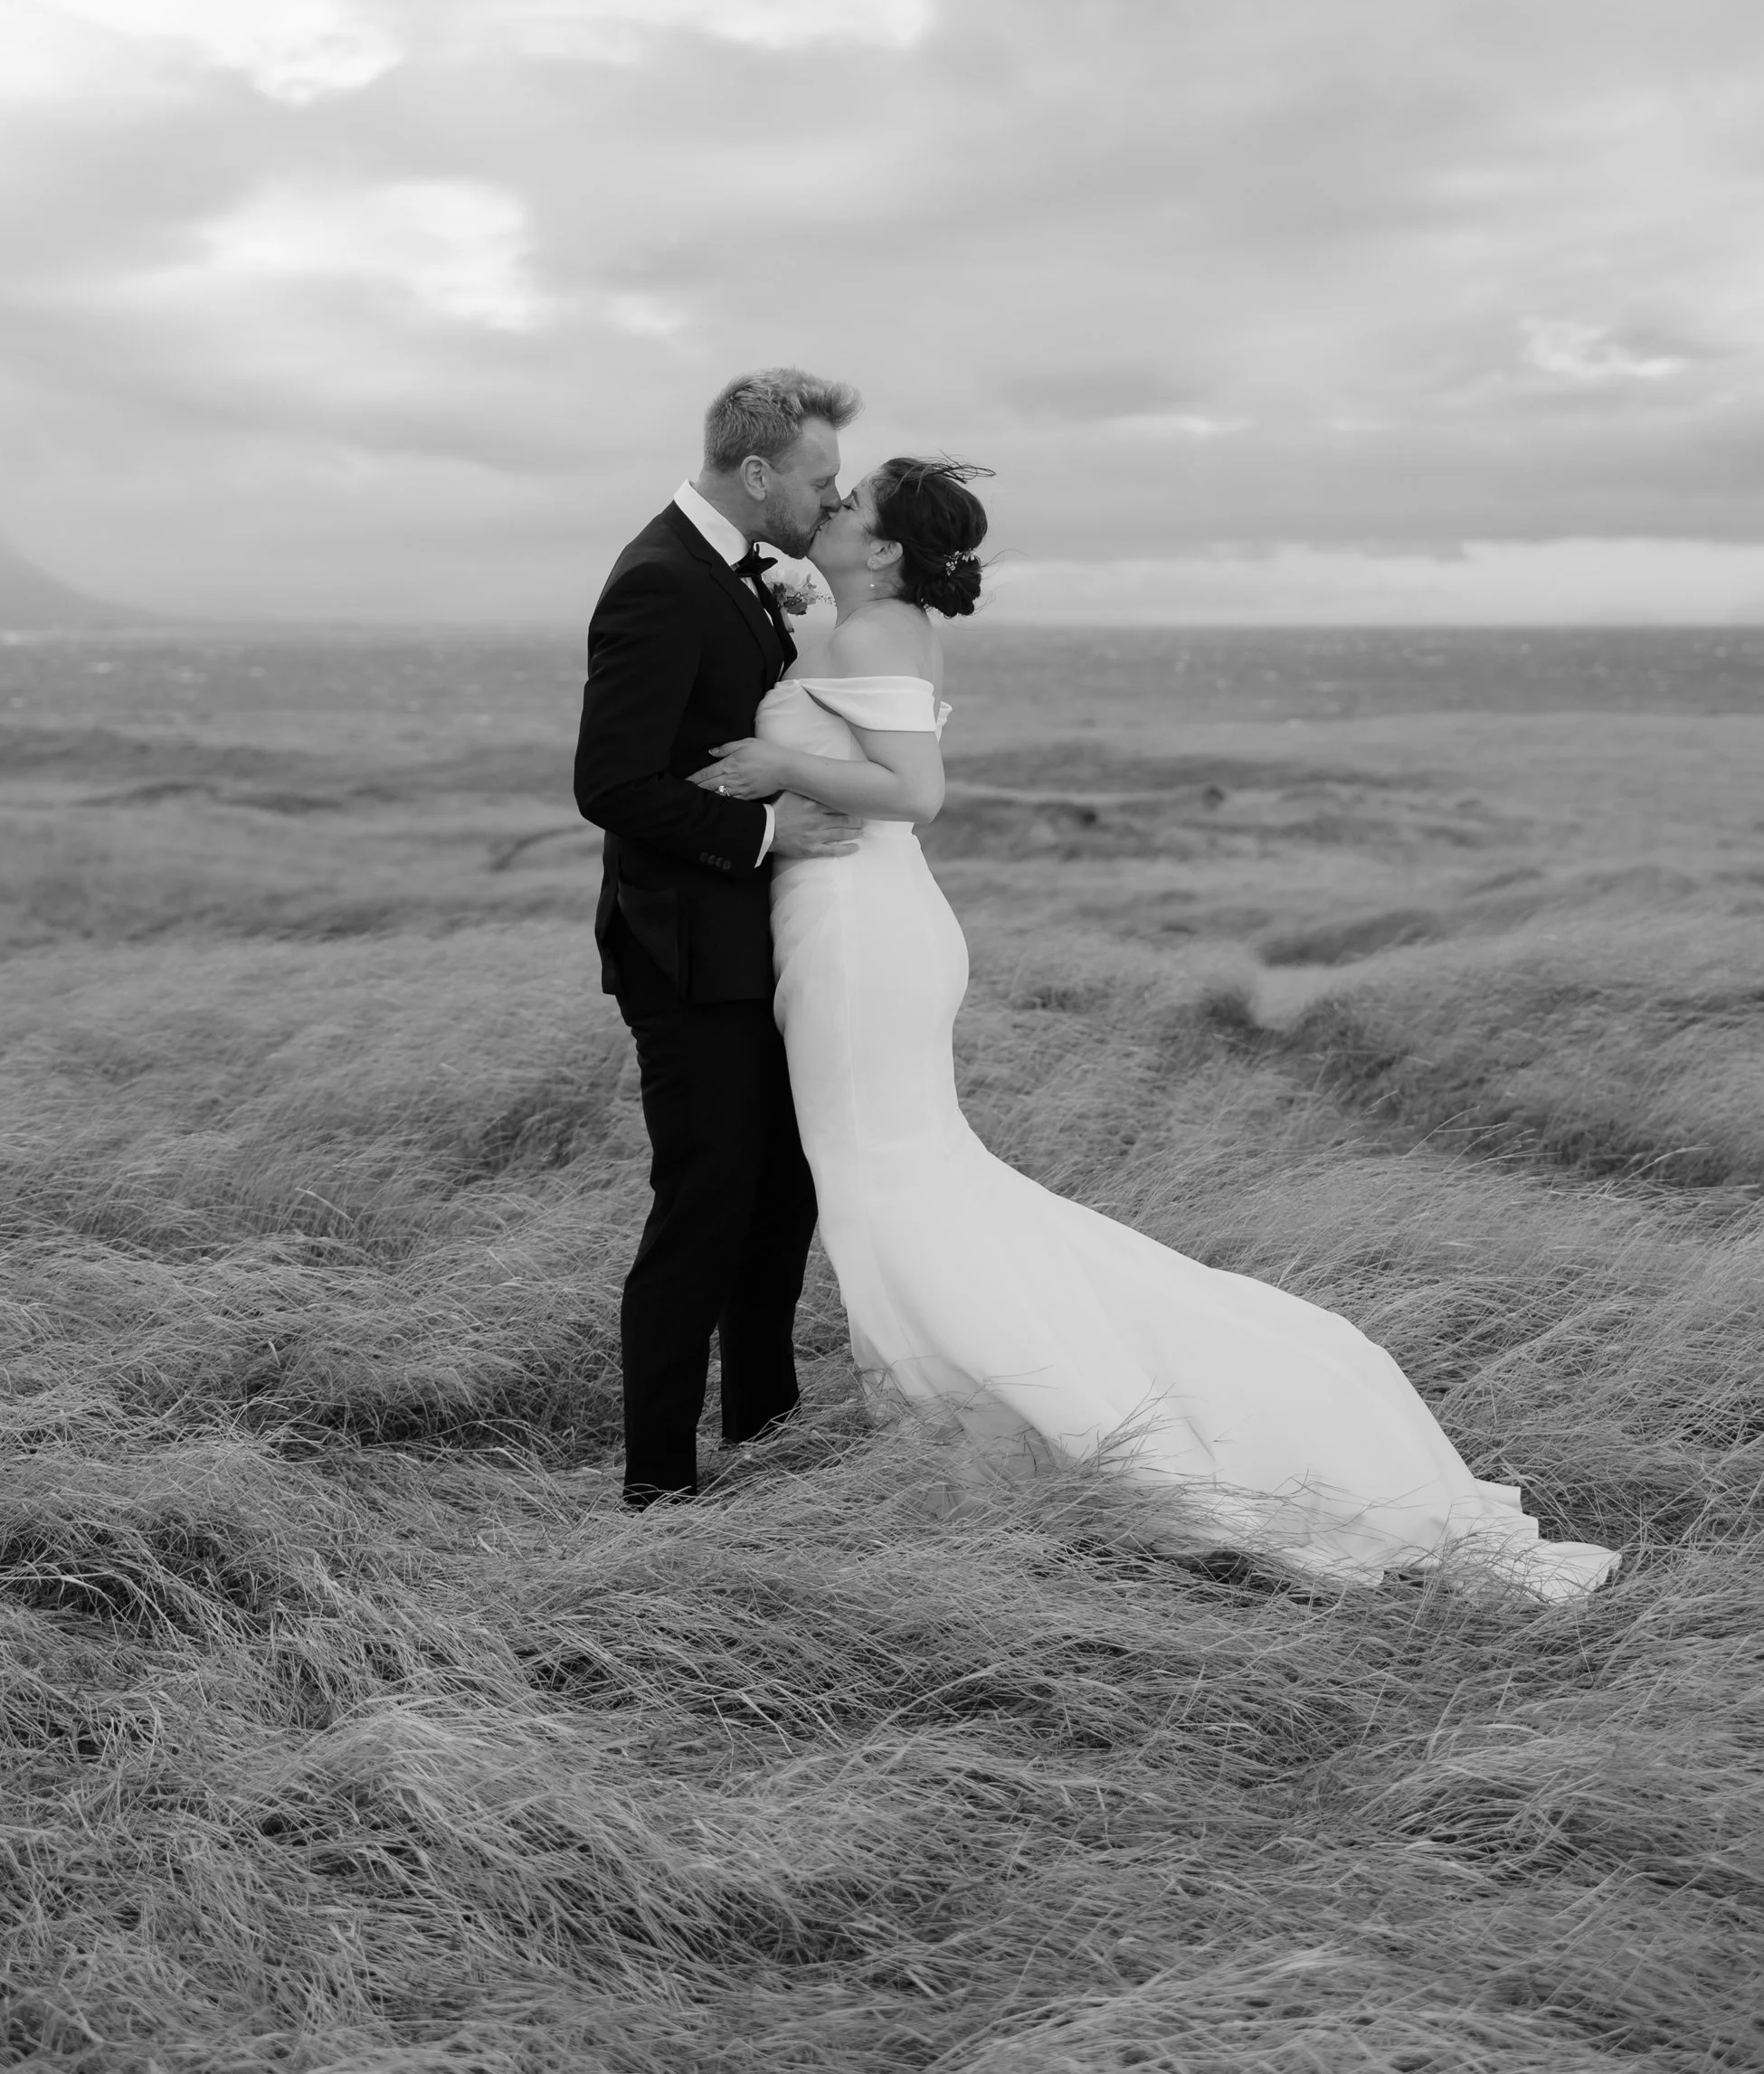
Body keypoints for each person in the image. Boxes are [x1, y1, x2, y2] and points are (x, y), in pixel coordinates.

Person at [691, 454, 1619, 1597]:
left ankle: (1075, 1436)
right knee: (909, 1183)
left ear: (882, 548)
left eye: (849, 506)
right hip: (857, 918)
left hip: (854, 927)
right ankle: (1011, 1441)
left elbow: (917, 792)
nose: (828, 512)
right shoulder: (869, 620)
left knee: (889, 1188)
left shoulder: (877, 633)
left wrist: (779, 761)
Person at [574, 369, 863, 1508]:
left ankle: (763, 1421)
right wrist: (764, 832)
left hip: (749, 947)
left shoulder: (738, 574)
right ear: (755, 473)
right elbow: (611, 782)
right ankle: (658, 1487)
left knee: (779, 1191)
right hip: (684, 948)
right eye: (817, 479)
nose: (827, 500)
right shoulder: (655, 580)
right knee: (703, 1204)